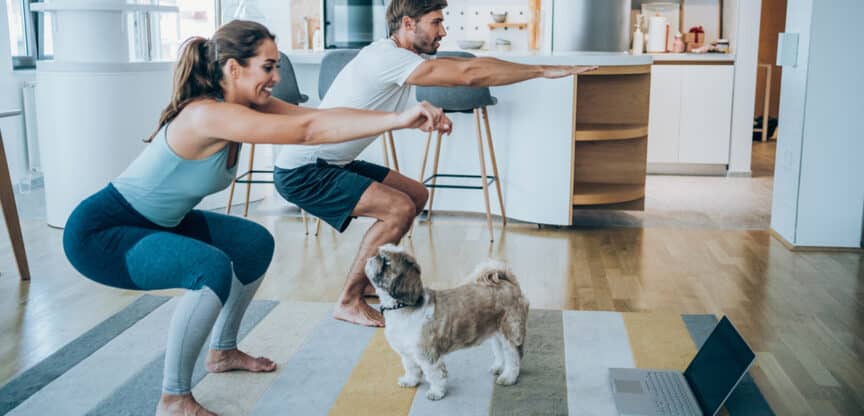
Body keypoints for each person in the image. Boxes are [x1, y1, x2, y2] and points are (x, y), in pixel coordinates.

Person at [62, 20, 449, 416]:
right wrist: (398, 119)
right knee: (208, 269)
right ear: (233, 68)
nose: (276, 77)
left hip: (162, 221)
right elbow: (308, 132)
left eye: (277, 66)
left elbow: (319, 117)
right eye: (268, 67)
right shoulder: (206, 115)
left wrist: (400, 117)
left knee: (253, 243)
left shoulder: (242, 106)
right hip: (103, 232)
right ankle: (173, 398)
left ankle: (223, 351)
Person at [273, 0, 598, 327]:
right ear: (408, 25)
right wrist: (541, 71)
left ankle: (368, 280)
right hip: (304, 170)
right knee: (397, 209)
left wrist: (420, 113)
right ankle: (348, 300)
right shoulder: (387, 56)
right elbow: (469, 72)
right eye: (436, 22)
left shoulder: (396, 56)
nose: (443, 32)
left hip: (331, 162)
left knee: (415, 196)